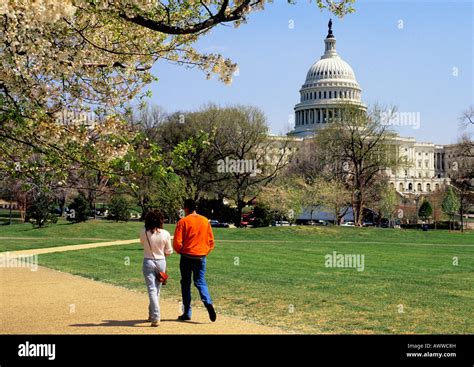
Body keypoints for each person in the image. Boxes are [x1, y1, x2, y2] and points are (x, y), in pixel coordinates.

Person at [173, 199, 216, 322]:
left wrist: (180, 251)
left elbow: (177, 242)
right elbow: (211, 241)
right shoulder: (204, 220)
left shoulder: (183, 222)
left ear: (186, 208)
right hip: (201, 256)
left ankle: (187, 312)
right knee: (200, 282)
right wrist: (205, 252)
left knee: (186, 284)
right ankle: (208, 302)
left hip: (187, 256)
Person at [140, 210, 173, 327]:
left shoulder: (143, 232)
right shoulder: (165, 233)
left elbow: (142, 244)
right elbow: (169, 251)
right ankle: (152, 315)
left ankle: (155, 317)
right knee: (156, 290)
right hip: (161, 262)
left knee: (152, 290)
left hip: (148, 261)